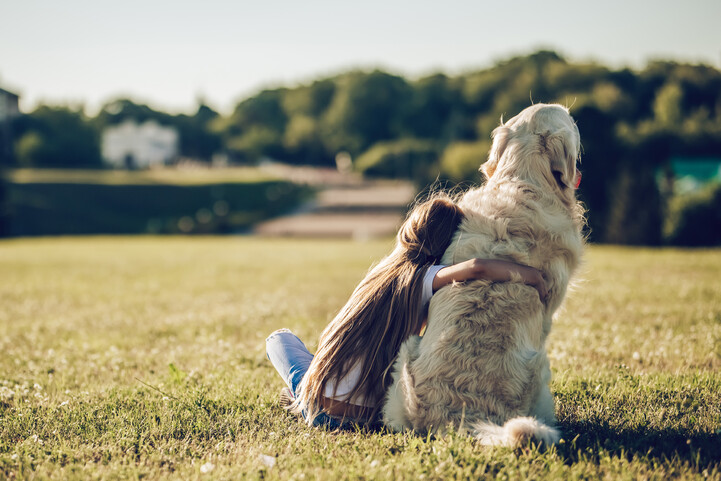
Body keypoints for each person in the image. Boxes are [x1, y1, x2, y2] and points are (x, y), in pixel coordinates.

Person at [265, 193, 547, 429]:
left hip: (321, 411)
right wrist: (532, 276)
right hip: (369, 416)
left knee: (279, 340)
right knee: (317, 365)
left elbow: (476, 267)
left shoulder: (382, 274)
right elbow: (476, 267)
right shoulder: (426, 278)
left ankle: (299, 395)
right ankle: (300, 393)